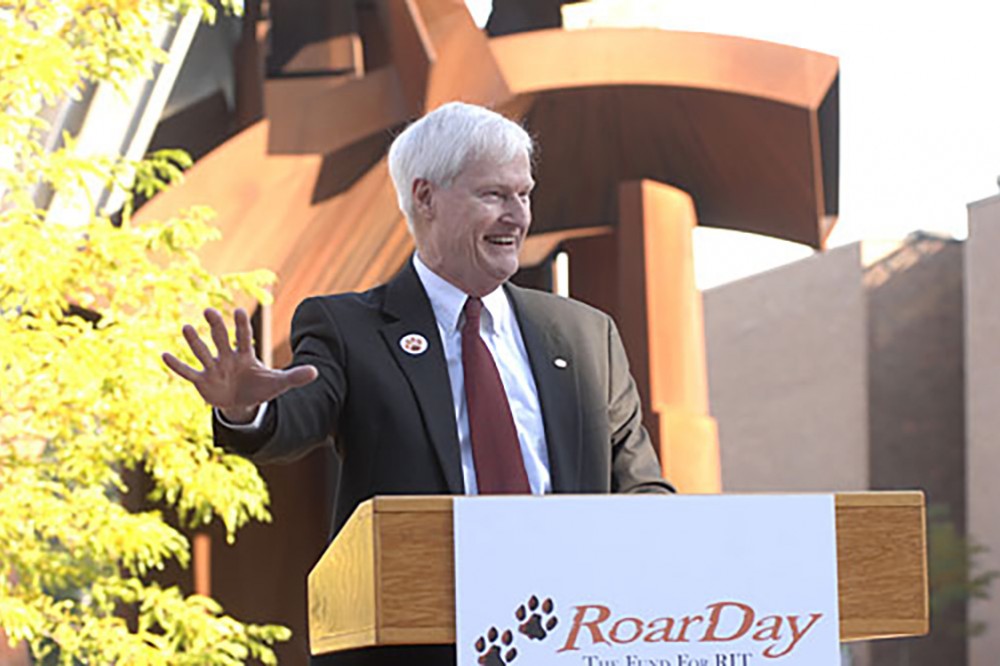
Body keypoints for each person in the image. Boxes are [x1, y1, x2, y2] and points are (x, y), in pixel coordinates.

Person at [163, 101, 673, 665]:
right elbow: (300, 412)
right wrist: (245, 411)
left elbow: (642, 490)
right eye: (494, 195)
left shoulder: (584, 335)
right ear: (425, 197)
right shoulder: (348, 328)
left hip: (574, 640)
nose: (517, 216)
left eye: (523, 194)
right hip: (416, 645)